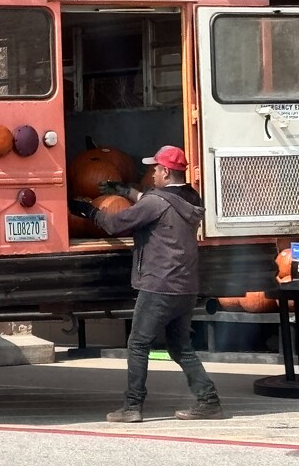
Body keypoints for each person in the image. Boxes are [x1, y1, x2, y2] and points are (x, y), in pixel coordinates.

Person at [69, 145, 227, 423]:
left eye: (155, 169)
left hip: (159, 283)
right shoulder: (190, 198)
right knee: (180, 348)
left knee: (139, 344)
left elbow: (117, 223)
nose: (152, 173)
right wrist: (123, 190)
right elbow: (153, 199)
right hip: (186, 286)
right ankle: (209, 401)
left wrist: (88, 211)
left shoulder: (156, 203)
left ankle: (132, 406)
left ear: (166, 172)